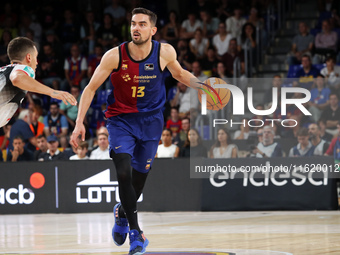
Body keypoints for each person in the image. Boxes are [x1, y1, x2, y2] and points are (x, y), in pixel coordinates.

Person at [70, 7, 205, 255]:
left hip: (151, 122)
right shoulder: (114, 56)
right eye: (133, 23)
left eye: (142, 24)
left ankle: (122, 213)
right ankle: (136, 233)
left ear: (153, 30)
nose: (136, 28)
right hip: (121, 120)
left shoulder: (164, 52)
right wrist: (79, 122)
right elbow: (89, 89)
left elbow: (180, 74)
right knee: (123, 171)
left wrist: (203, 85)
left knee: (138, 181)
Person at [0, 37, 77, 128]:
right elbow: (17, 78)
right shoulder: (24, 68)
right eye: (35, 57)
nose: (36, 63)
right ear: (29, 57)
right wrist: (52, 92)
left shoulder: (3, 70)